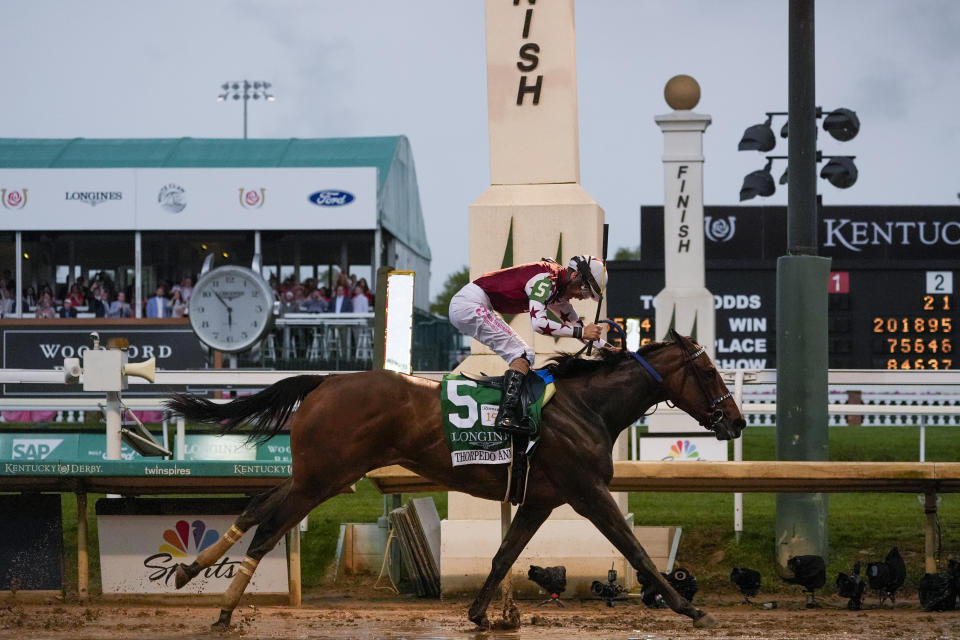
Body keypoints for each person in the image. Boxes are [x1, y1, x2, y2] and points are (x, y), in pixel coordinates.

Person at [448, 255, 607, 433]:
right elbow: (539, 324)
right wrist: (582, 332)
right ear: (574, 276)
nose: (580, 297)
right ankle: (506, 416)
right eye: (583, 290)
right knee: (523, 353)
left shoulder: (558, 290)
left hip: (472, 304)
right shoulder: (546, 281)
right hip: (469, 304)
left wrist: (612, 350)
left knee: (523, 354)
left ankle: (509, 412)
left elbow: (577, 327)